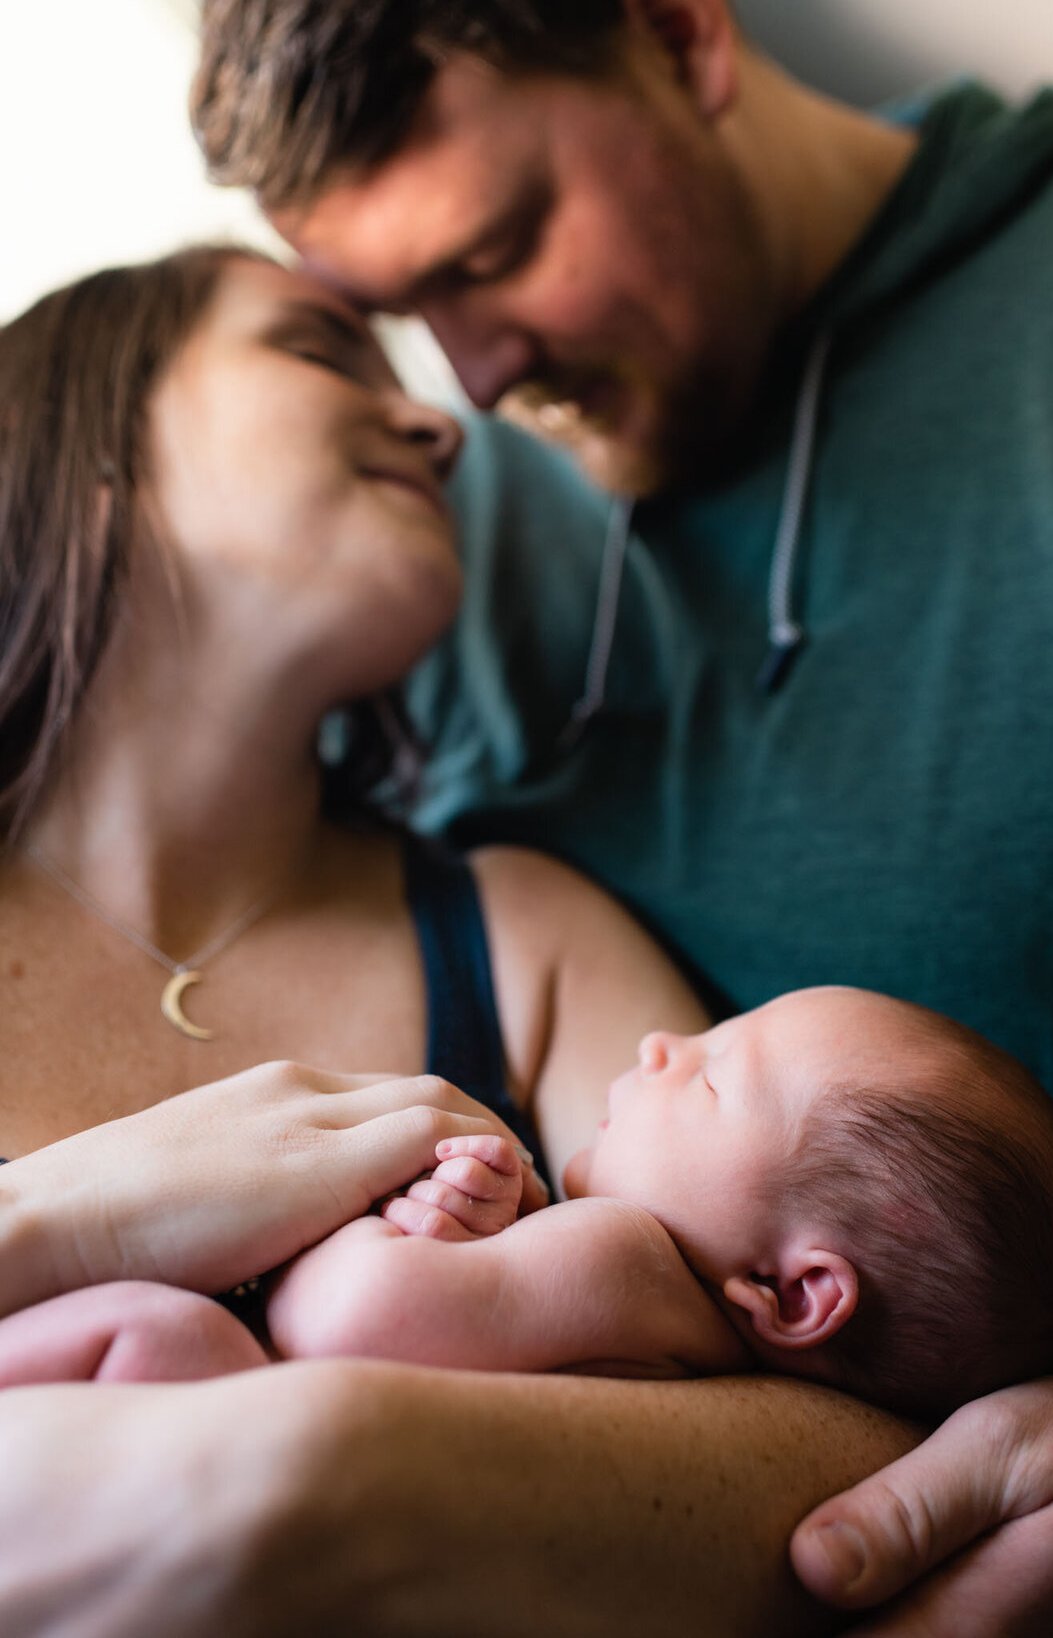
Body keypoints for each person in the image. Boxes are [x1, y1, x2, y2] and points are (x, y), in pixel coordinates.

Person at [184, 0, 1053, 1633]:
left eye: (494, 257)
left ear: (678, 29)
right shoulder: (439, 545)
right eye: (401, 314)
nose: (471, 382)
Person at [0, 244, 926, 1633]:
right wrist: (73, 1219)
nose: (441, 426)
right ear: (83, 454)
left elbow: (859, 1449)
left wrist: (321, 1469)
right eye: (319, 351)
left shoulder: (522, 936)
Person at [0, 989, 1053, 1428]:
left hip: (240, 1454)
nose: (665, 1044)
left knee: (169, 1333)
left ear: (797, 1292)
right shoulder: (688, 1347)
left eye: (712, 1074)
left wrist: (375, 1214)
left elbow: (343, 1325)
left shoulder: (627, 1255)